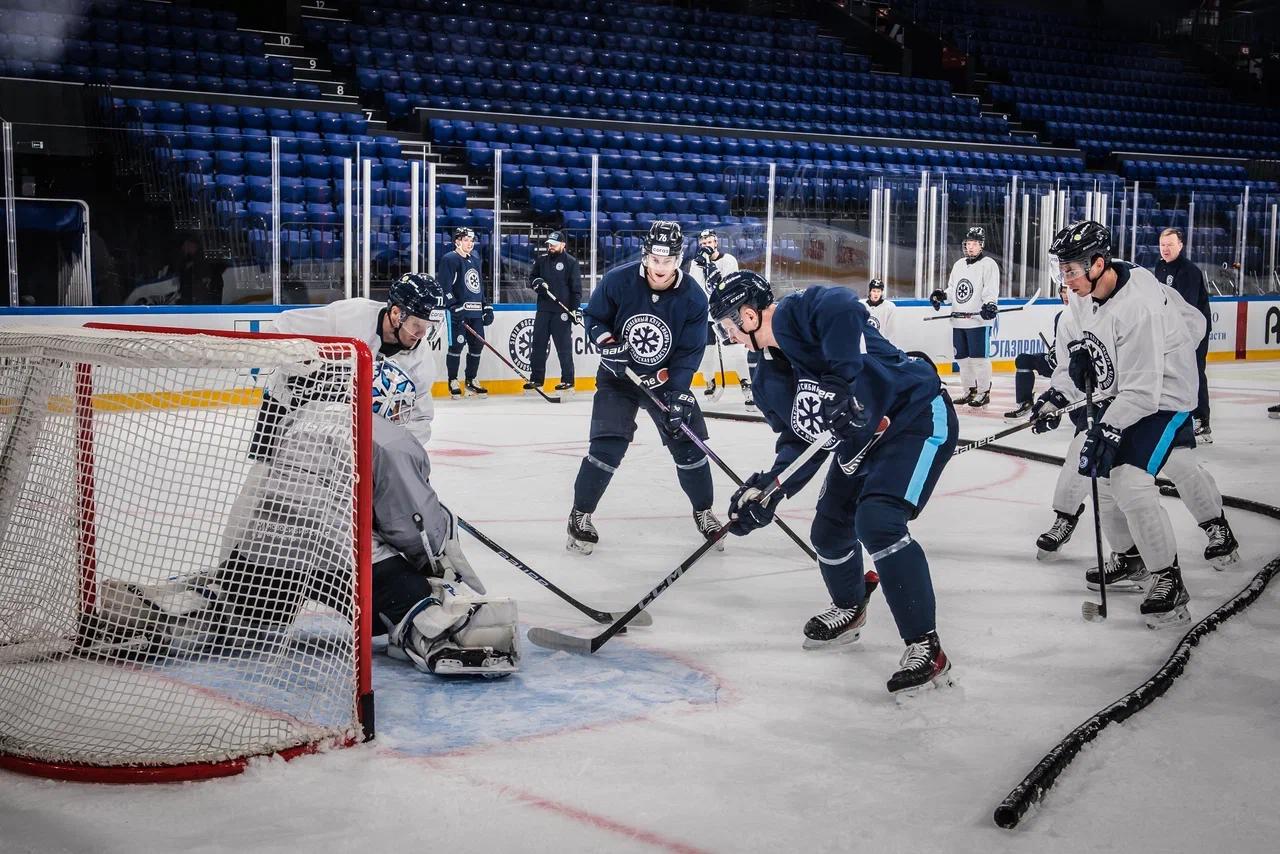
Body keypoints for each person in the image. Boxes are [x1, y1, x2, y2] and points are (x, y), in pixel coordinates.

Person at [98, 349, 519, 677]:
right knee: (407, 597)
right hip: (342, 555)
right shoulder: (390, 438)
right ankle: (443, 636)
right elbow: (409, 525)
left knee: (248, 612)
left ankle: (163, 611)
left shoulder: (306, 419)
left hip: (269, 545)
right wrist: (436, 560)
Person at [710, 270, 959, 697]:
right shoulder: (768, 377)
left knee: (878, 522)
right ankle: (850, 605)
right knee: (827, 532)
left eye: (727, 325)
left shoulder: (794, 314)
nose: (727, 335)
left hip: (912, 417)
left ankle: (925, 645)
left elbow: (844, 305)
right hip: (859, 444)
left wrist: (840, 383)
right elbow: (800, 441)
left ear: (748, 316)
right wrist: (770, 489)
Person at [1042, 220, 1218, 629]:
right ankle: (1133, 559)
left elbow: (1143, 388)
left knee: (1129, 478)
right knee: (1100, 476)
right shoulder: (1080, 302)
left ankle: (1168, 580)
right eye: (1061, 269)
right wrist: (1055, 397)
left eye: (1071, 270)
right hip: (1128, 394)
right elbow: (1073, 366)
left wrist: (1108, 428)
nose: (1064, 279)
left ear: (1099, 263)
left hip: (1166, 394)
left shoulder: (1137, 305)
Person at [566, 220, 722, 554]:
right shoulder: (618, 281)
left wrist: (680, 392)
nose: (660, 268)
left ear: (679, 259)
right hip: (618, 378)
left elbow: (689, 352)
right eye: (655, 259)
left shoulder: (694, 297)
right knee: (606, 448)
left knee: (690, 447)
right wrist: (607, 342)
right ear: (645, 255)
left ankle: (704, 510)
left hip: (665, 381)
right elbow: (594, 318)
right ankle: (580, 515)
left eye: (667, 261)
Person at [268, 271, 440, 449]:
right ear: (396, 314)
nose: (422, 334)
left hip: (334, 426)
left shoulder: (420, 362)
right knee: (264, 471)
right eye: (417, 325)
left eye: (427, 326)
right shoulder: (350, 316)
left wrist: (397, 454)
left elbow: (419, 419)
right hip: (285, 402)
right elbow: (283, 325)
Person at [1152, 227, 1213, 442]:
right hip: (1172, 331)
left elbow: (1186, 308)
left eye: (1170, 244)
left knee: (1195, 372)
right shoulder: (1159, 266)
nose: (1165, 249)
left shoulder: (1189, 271)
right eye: (1162, 245)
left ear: (1181, 245)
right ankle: (1178, 417)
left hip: (1194, 331)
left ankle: (1201, 420)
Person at [931, 226, 1000, 408]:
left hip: (978, 321)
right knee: (962, 359)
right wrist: (942, 296)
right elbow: (954, 290)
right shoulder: (959, 265)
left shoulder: (989, 264)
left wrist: (990, 304)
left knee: (979, 359)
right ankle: (969, 390)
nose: (970, 247)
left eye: (974, 244)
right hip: (959, 319)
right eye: (968, 243)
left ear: (981, 245)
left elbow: (990, 289)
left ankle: (984, 392)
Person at [685, 228, 750, 404]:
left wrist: (709, 266)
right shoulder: (696, 264)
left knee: (735, 349)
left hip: (726, 312)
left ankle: (746, 385)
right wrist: (701, 265)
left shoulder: (728, 260)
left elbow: (725, 286)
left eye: (710, 242)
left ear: (716, 243)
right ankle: (710, 381)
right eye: (703, 243)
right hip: (705, 314)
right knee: (707, 350)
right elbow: (697, 287)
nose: (707, 246)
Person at [438, 226, 492, 398]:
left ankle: (471, 381)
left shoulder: (475, 259)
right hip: (459, 313)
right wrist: (453, 305)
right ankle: (453, 380)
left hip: (475, 312)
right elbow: (444, 286)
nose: (470, 243)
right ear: (457, 241)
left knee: (477, 344)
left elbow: (479, 286)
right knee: (457, 345)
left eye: (472, 240)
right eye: (466, 240)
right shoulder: (450, 259)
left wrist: (486, 306)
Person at [526, 231, 581, 395]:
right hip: (543, 310)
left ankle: (568, 381)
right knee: (538, 346)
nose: (550, 247)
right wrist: (537, 282)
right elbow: (532, 278)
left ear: (563, 245)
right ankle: (536, 379)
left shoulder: (571, 262)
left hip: (562, 312)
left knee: (564, 348)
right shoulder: (542, 261)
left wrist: (575, 309)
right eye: (549, 244)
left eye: (554, 244)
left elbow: (576, 290)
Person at [1004, 282, 1069, 419]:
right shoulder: (1060, 316)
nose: (1066, 294)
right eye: (1063, 290)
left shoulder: (1087, 314)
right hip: (1060, 366)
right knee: (1023, 360)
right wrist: (1054, 352)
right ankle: (1024, 403)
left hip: (1077, 370)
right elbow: (1059, 344)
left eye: (1069, 290)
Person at [862, 278, 896, 343]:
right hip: (865, 343)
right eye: (874, 291)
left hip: (880, 344)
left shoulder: (889, 307)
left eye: (878, 291)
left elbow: (890, 331)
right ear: (870, 292)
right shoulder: (862, 305)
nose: (876, 294)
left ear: (881, 292)